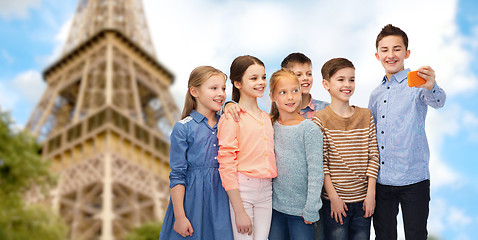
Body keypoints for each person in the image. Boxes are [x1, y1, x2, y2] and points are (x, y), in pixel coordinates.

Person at [369, 24, 446, 240]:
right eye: (384, 50)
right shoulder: (375, 94)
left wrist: (432, 86)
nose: (391, 55)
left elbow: (438, 101)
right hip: (382, 181)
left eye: (396, 49)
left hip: (414, 178)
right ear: (377, 55)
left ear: (406, 53)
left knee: (416, 235)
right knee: (383, 236)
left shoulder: (418, 82)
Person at [159, 66, 233, 240]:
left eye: (223, 88)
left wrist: (232, 105)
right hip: (193, 203)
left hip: (224, 201)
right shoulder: (183, 128)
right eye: (214, 88)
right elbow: (177, 175)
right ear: (194, 91)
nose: (221, 93)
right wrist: (179, 216)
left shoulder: (228, 123)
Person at [312, 58, 380, 240]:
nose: (347, 84)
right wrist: (333, 197)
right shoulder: (320, 119)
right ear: (326, 84)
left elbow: (373, 156)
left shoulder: (366, 116)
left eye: (351, 79)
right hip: (335, 203)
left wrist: (371, 193)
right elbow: (321, 162)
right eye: (340, 79)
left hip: (364, 201)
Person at [217, 55, 277, 240]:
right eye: (254, 78)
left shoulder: (267, 118)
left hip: (266, 190)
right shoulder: (231, 117)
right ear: (237, 83)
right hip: (243, 189)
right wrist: (239, 210)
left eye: (263, 77)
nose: (261, 83)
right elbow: (226, 163)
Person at [267, 68, 324, 240]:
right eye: (283, 92)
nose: (290, 97)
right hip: (276, 210)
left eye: (294, 91)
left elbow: (316, 172)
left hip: (302, 213)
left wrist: (311, 209)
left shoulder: (309, 129)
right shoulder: (269, 125)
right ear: (273, 97)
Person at [224, 52, 329, 121]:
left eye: (309, 74)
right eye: (298, 75)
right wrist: (228, 104)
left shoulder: (326, 110)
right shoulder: (274, 116)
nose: (305, 78)